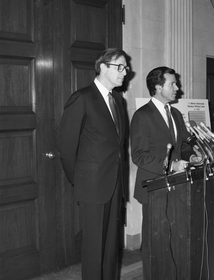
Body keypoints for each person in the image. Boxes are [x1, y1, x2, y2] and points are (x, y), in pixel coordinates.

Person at [58, 48, 130, 280]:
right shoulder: (82, 97)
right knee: (94, 248)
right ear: (103, 67)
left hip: (114, 184)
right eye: (120, 66)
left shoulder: (118, 100)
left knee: (111, 248)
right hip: (92, 185)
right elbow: (67, 147)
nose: (125, 72)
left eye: (126, 67)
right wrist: (80, 180)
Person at [130, 66, 202, 279]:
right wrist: (171, 165)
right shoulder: (142, 116)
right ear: (158, 87)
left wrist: (192, 157)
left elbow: (184, 146)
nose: (177, 88)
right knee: (155, 242)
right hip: (154, 189)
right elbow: (139, 156)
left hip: (179, 187)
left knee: (176, 239)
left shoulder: (176, 114)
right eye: (173, 84)